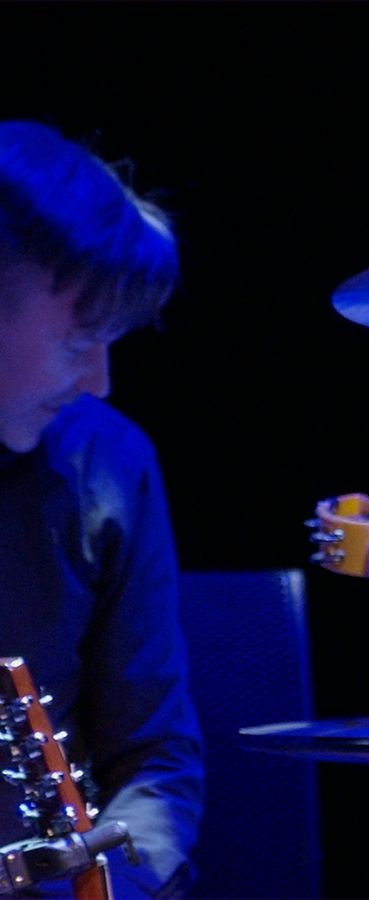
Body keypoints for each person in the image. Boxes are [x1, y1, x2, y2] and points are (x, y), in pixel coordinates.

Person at [0, 120, 203, 898]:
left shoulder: (108, 464)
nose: (100, 382)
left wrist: (116, 888)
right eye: (78, 339)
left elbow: (155, 761)